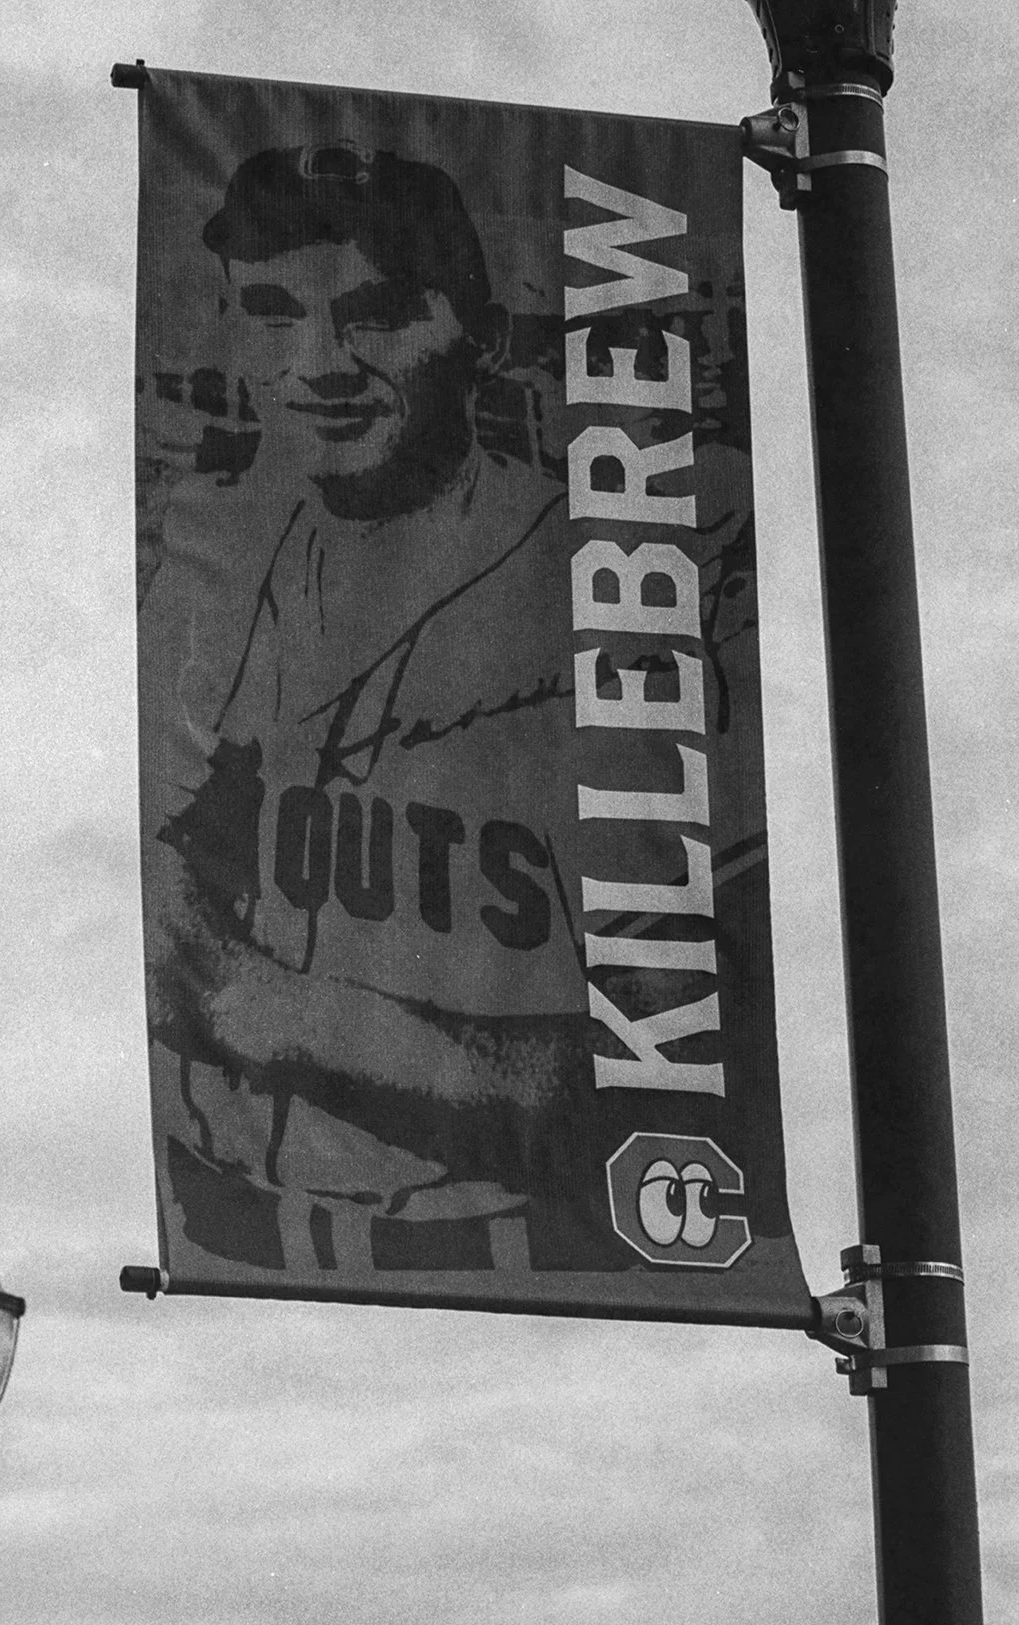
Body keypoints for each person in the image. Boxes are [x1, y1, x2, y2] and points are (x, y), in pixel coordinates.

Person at [142, 139, 717, 1276]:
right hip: (237, 1239)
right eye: (270, 316)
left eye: (377, 315)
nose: (319, 364)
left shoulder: (601, 579)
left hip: (504, 1252)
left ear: (479, 338)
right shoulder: (231, 563)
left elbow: (673, 1056)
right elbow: (186, 863)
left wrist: (280, 1011)